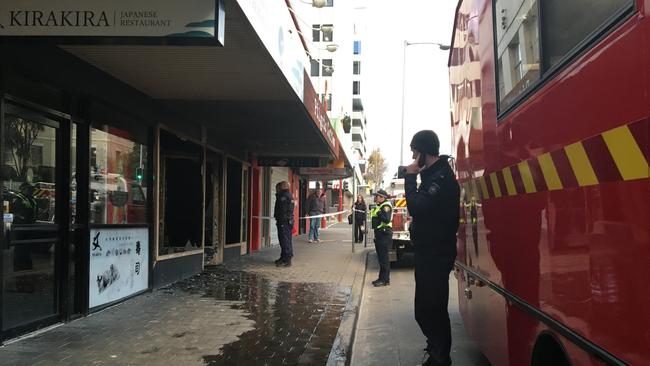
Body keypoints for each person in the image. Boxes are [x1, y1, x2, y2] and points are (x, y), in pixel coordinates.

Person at [405, 130, 460, 366]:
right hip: (428, 250)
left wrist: (409, 178)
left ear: (424, 153)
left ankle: (440, 358)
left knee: (433, 307)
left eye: (415, 152)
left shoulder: (440, 178)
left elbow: (418, 207)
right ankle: (436, 347)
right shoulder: (432, 175)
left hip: (437, 252)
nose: (413, 157)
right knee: (425, 308)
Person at [369, 189, 392, 287]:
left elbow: (386, 220)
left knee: (384, 258)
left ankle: (385, 280)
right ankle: (381, 278)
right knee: (381, 258)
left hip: (384, 234)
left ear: (382, 197)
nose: (375, 198)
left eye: (376, 196)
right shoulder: (379, 206)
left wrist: (378, 213)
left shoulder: (385, 206)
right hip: (379, 234)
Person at [273, 181, 294, 267]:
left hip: (284, 221)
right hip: (286, 221)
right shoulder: (288, 195)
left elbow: (282, 210)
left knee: (284, 240)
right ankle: (284, 257)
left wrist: (280, 219)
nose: (276, 189)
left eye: (278, 187)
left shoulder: (284, 196)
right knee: (286, 239)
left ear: (282, 187)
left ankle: (287, 259)